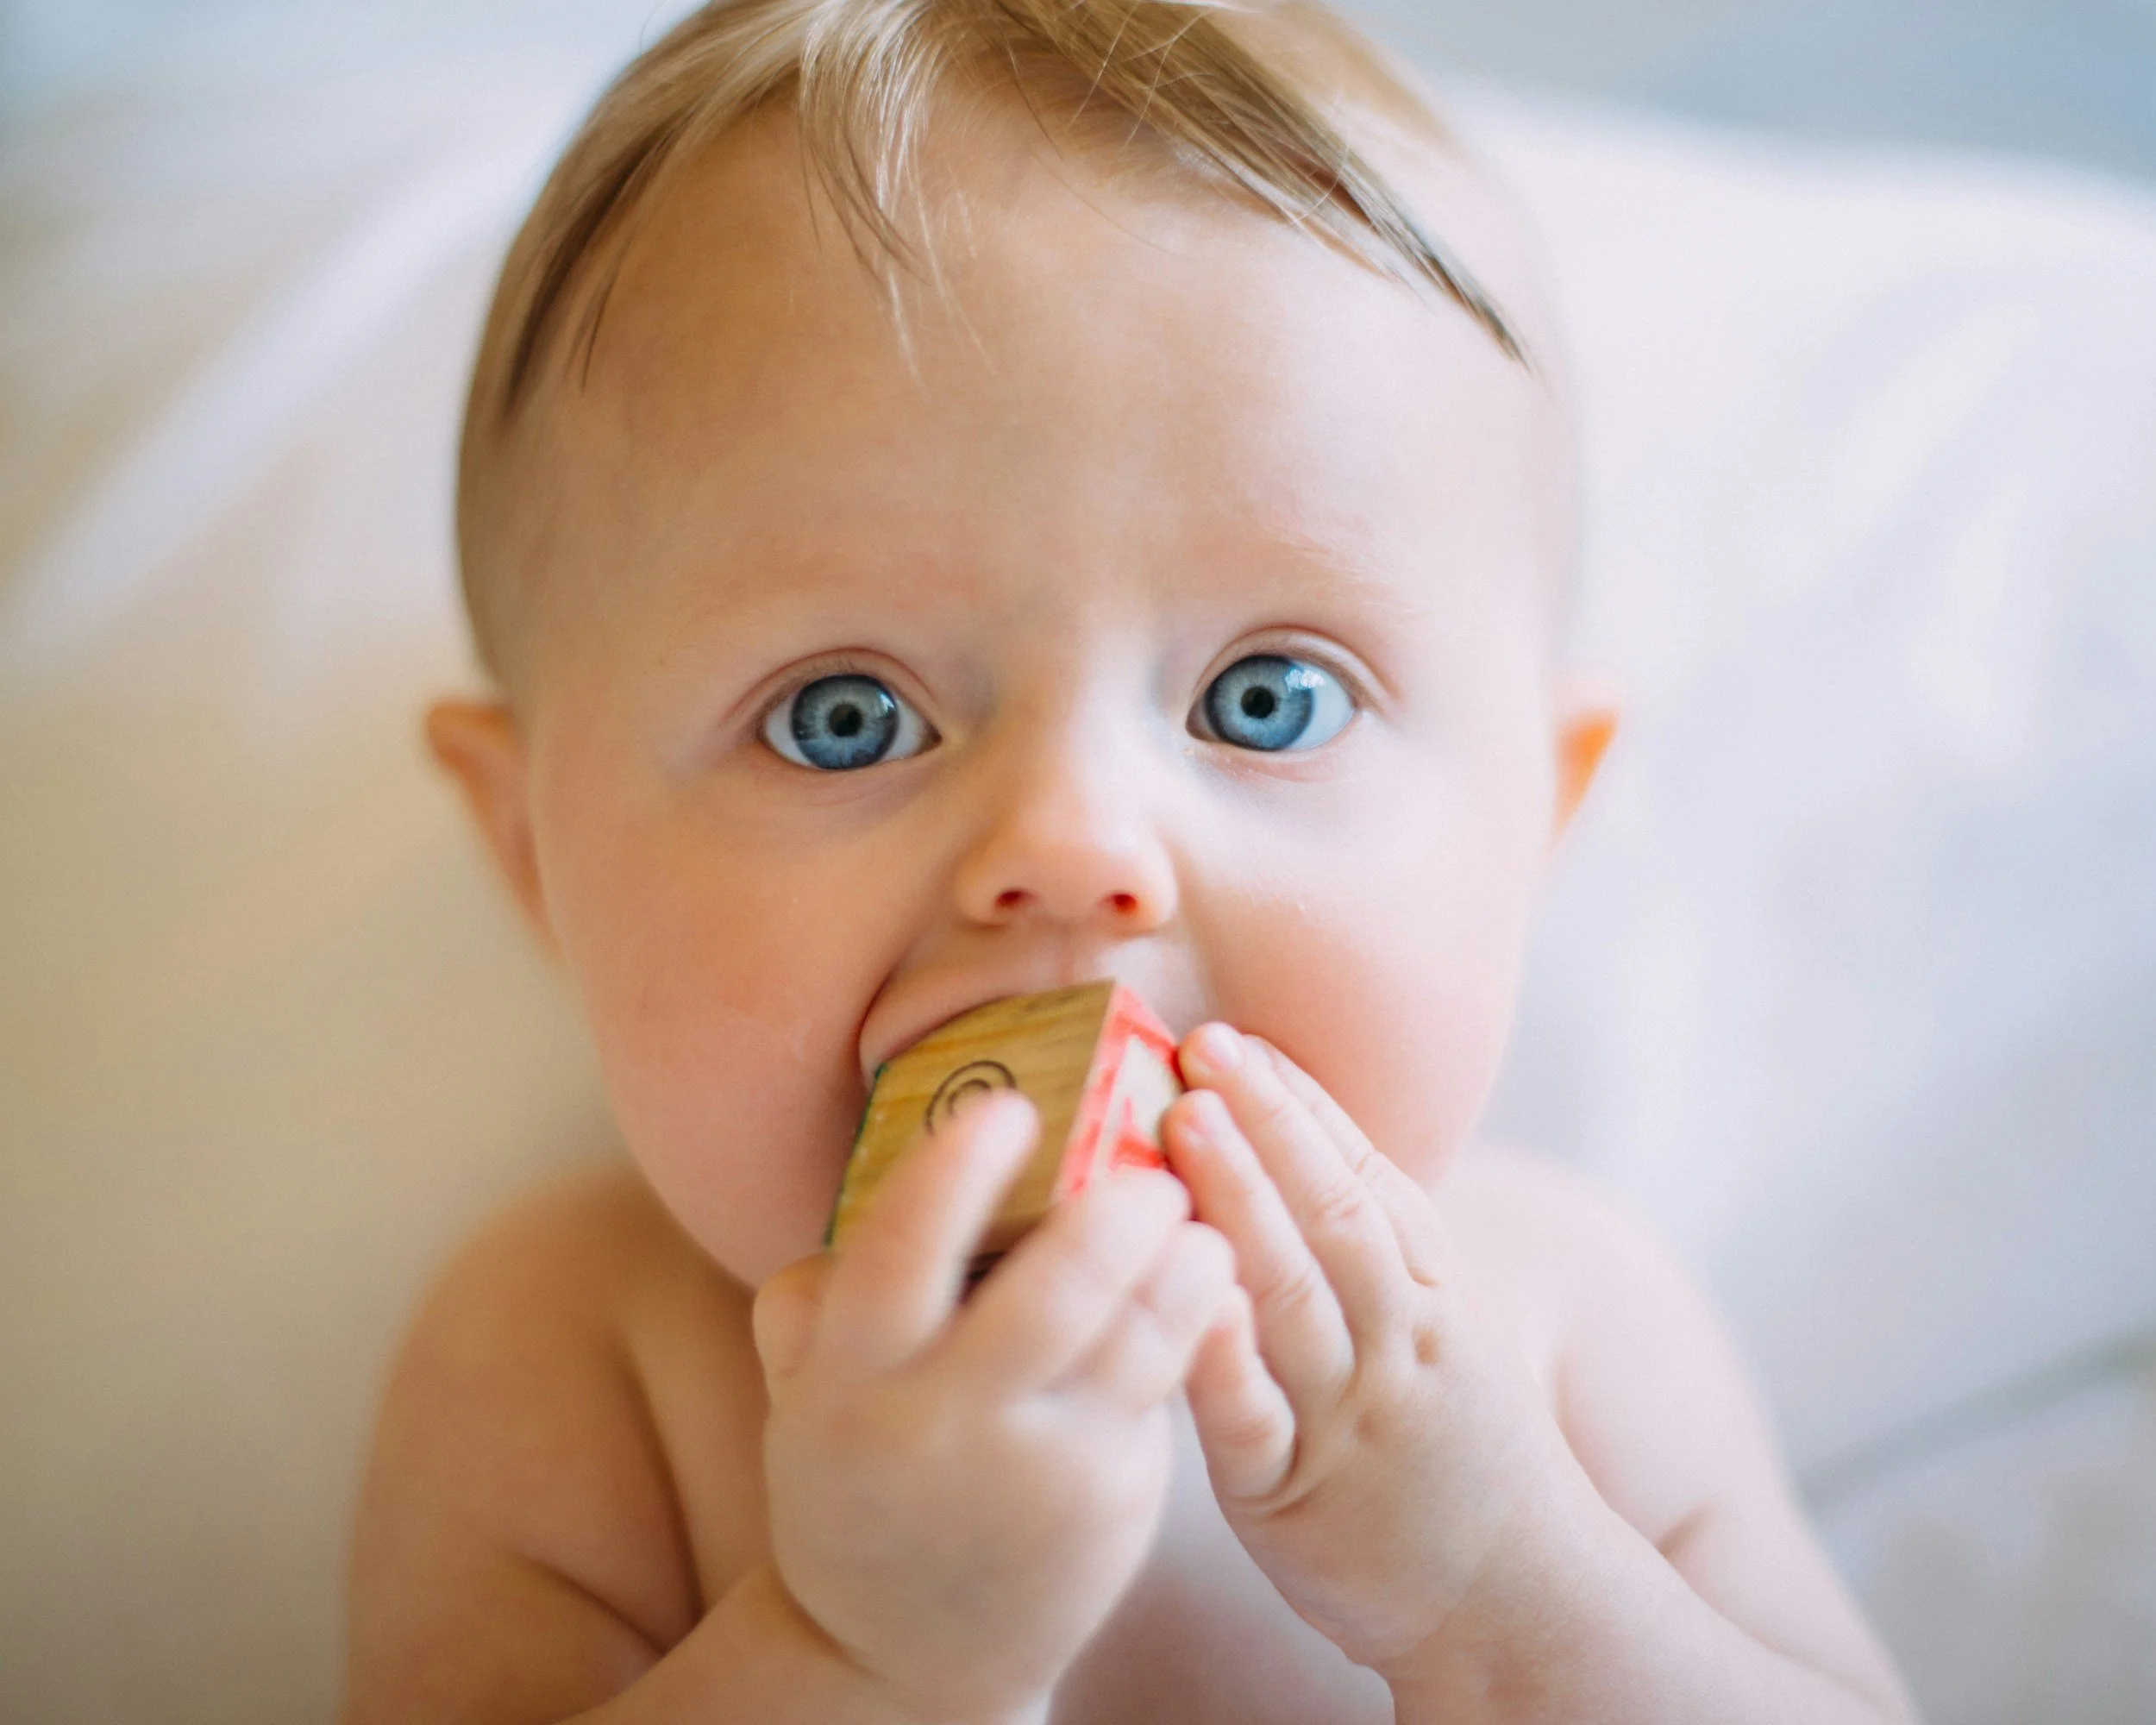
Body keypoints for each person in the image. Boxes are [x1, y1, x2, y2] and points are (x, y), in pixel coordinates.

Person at [343, 1, 1915, 1718]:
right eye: (844, 717)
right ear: (533, 855)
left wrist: (1504, 1587)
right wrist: (856, 1651)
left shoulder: (1555, 1326)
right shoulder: (575, 1358)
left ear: (1533, 824)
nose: (1074, 849)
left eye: (1268, 695)